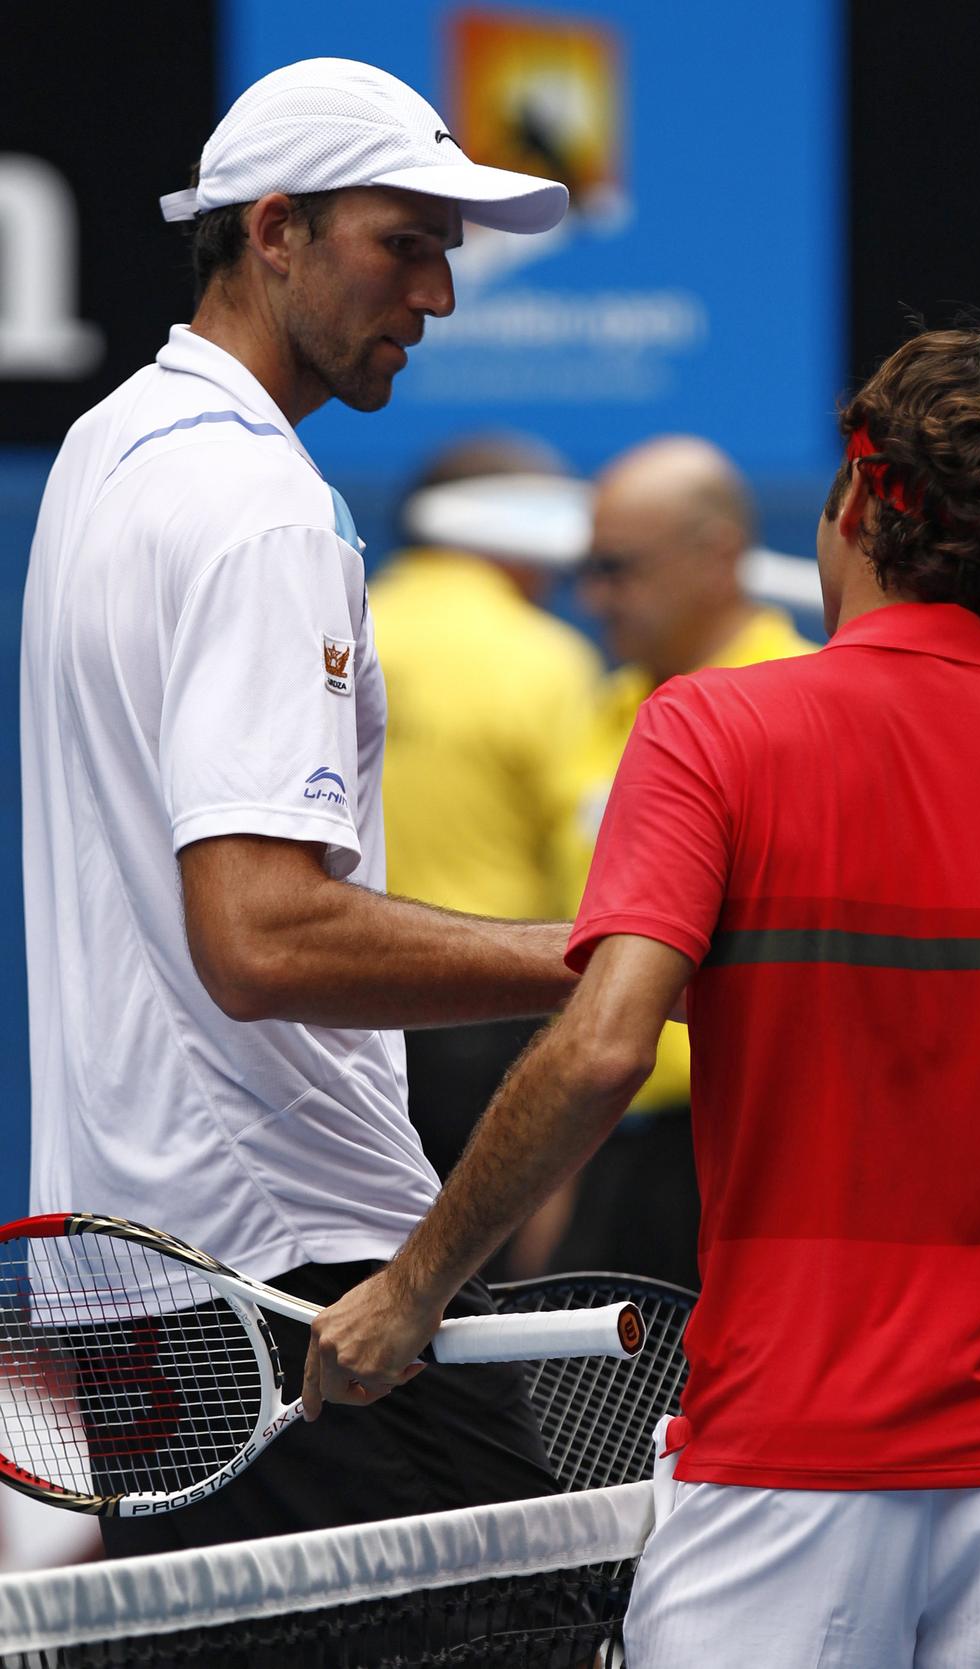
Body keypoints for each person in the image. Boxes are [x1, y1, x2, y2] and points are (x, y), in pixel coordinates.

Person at [303, 324, 980, 1668]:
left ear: (858, 503)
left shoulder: (707, 732)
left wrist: (412, 1286)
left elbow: (600, 1049)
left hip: (784, 1465)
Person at [20, 56, 576, 1556]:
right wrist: (611, 954)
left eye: (447, 254)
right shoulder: (265, 509)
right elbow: (260, 938)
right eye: (406, 243)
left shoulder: (105, 450)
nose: (438, 297)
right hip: (287, 1269)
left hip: (139, 1271)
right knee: (549, 1604)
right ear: (275, 231)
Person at [536, 435, 813, 1287]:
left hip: (768, 1154)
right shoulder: (601, 709)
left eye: (619, 567)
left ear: (717, 555)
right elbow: (574, 965)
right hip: (613, 1148)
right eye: (588, 567)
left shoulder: (810, 704)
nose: (594, 595)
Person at [369, 437, 600, 1193]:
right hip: (488, 1004)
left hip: (330, 1007)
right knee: (481, 1283)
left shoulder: (340, 629)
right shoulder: (545, 660)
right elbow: (588, 861)